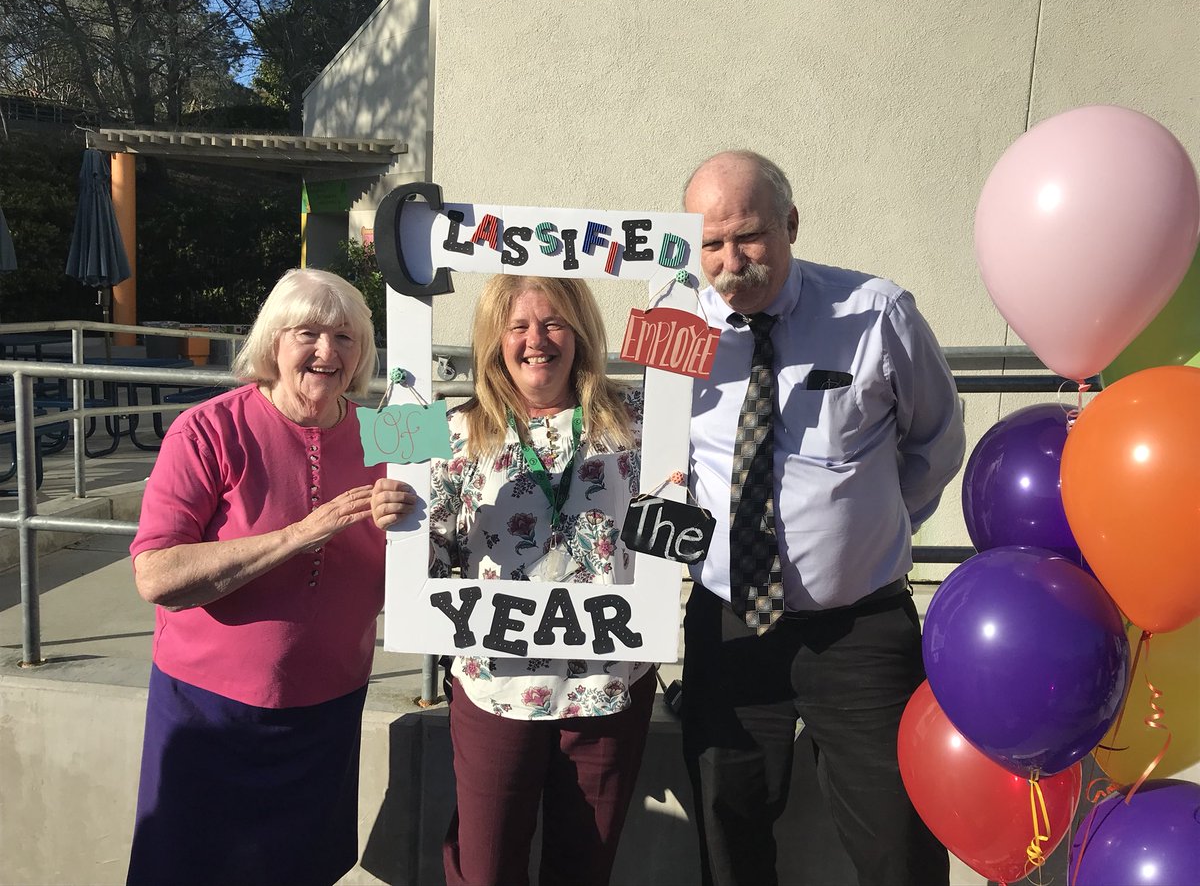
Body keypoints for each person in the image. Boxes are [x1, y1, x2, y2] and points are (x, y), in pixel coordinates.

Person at [681, 150, 964, 885]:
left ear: (792, 224)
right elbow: (653, 458)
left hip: (860, 631)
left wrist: (870, 527)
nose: (731, 260)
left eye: (748, 236)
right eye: (711, 243)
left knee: (900, 842)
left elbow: (937, 439)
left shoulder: (876, 313)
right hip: (729, 626)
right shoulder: (669, 326)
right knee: (725, 832)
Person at [126, 268, 417, 886]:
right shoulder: (207, 427)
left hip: (328, 709)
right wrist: (299, 534)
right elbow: (155, 574)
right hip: (209, 711)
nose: (327, 352)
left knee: (302, 869)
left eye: (345, 337)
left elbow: (472, 482)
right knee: (190, 868)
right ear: (271, 343)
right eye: (307, 333)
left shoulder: (395, 429)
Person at [372, 274, 654, 886]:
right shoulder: (450, 428)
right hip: (495, 684)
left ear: (579, 331)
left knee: (582, 868)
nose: (536, 341)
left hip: (607, 685)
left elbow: (687, 499)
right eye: (518, 326)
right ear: (493, 339)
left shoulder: (637, 422)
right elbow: (423, 550)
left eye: (553, 323)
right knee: (486, 867)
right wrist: (393, 518)